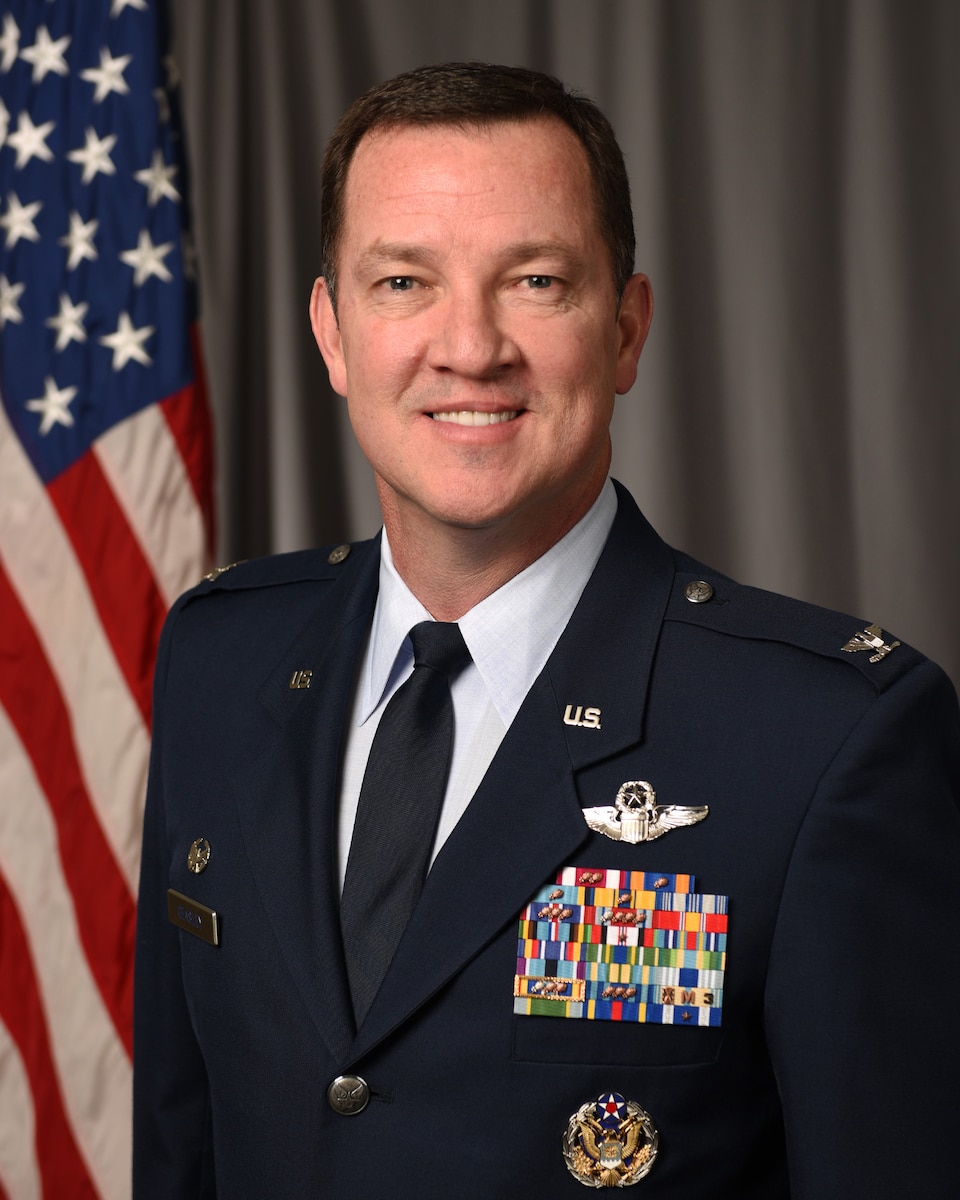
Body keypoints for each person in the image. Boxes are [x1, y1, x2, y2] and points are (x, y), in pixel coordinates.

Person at [133, 62, 960, 1197]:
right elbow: (181, 1148)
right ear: (332, 332)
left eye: (533, 280)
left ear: (625, 329)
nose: (469, 348)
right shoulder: (218, 660)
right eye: (403, 283)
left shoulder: (825, 740)